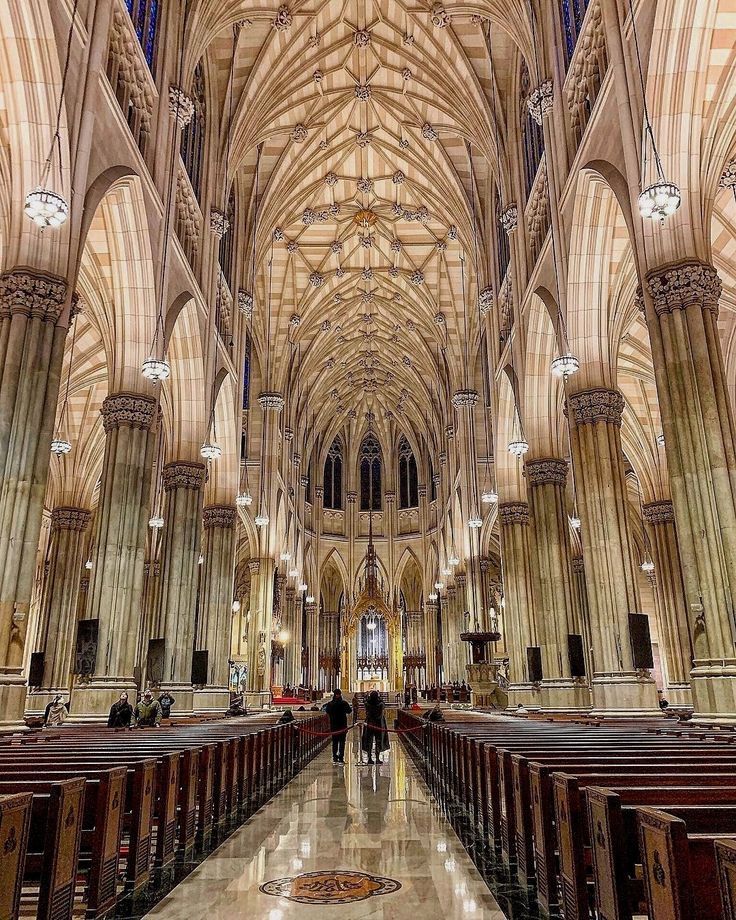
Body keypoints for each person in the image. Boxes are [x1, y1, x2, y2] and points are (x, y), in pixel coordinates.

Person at [361, 690, 389, 764]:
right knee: (379, 740)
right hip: (379, 723)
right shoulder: (380, 704)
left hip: (370, 723)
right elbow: (383, 705)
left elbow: (365, 702)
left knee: (369, 741)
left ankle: (369, 758)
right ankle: (377, 758)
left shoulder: (367, 704)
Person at [324, 689, 352, 763]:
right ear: (340, 694)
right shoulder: (344, 703)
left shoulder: (330, 704)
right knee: (342, 742)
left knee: (335, 742)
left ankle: (334, 757)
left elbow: (327, 711)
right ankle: (341, 757)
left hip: (334, 725)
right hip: (342, 725)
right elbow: (349, 711)